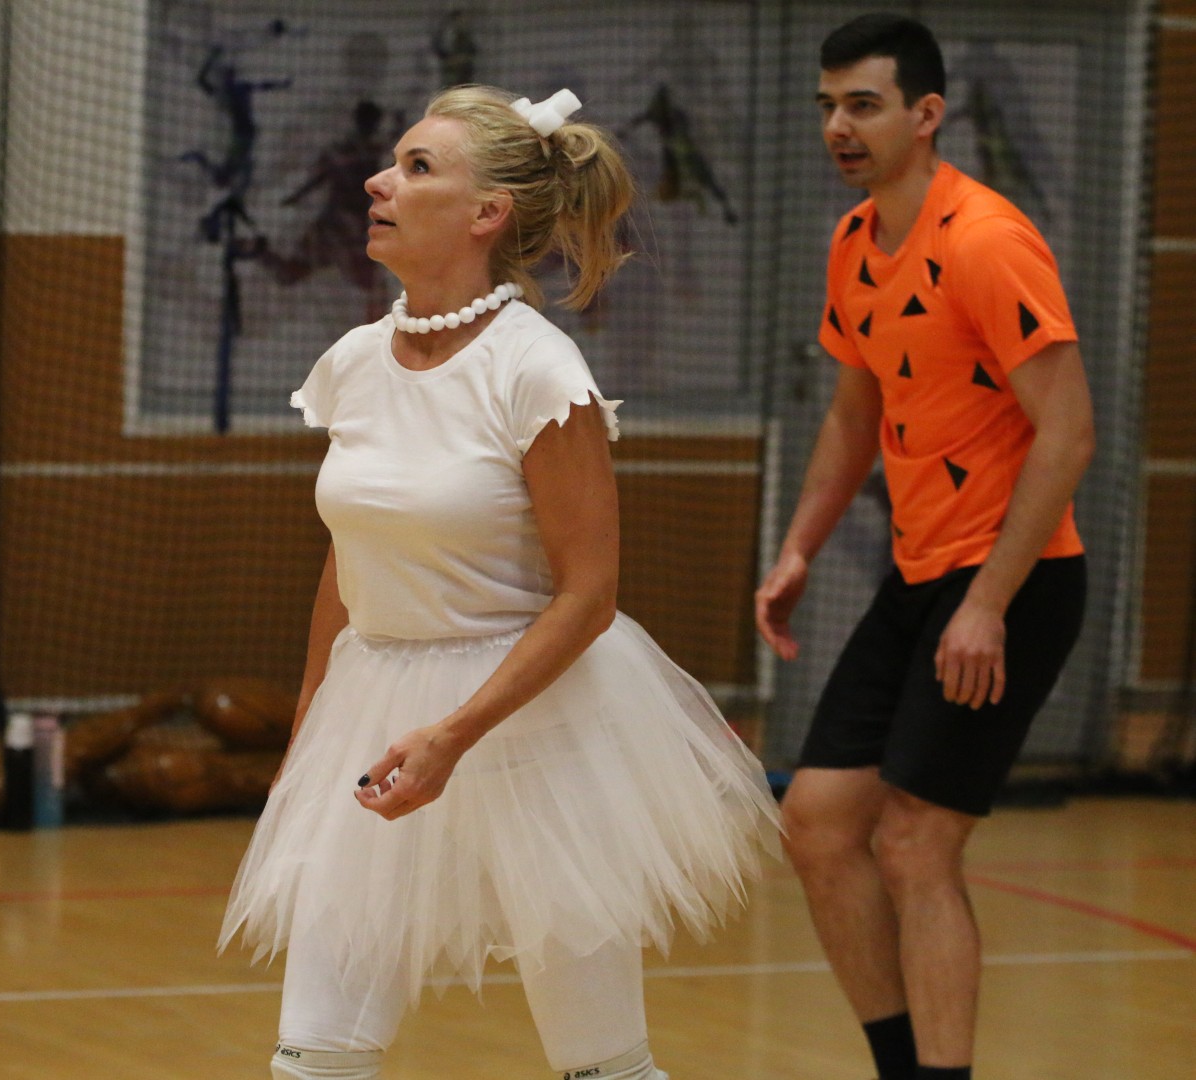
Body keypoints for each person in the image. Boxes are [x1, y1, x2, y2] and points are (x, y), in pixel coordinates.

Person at [219, 85, 780, 1080]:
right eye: (393, 163)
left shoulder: (537, 369)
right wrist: (307, 734)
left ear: (488, 213)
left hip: (536, 730)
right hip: (374, 715)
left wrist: (455, 733)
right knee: (313, 1060)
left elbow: (588, 596)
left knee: (601, 1067)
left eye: (416, 168)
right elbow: (351, 556)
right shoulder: (353, 362)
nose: (378, 182)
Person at [754, 16, 1093, 1080]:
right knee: (817, 824)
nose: (838, 127)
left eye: (863, 105)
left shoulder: (987, 241)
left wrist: (987, 603)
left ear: (926, 114)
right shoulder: (854, 241)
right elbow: (854, 413)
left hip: (1014, 581)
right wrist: (799, 549)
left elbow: (1069, 433)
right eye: (827, 106)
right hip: (918, 576)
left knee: (913, 842)